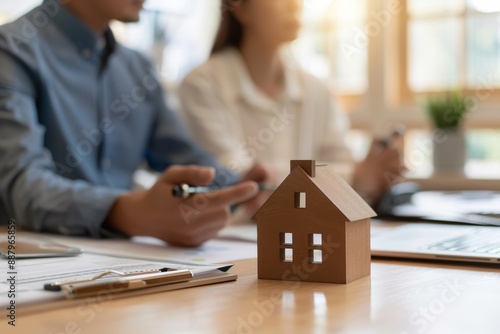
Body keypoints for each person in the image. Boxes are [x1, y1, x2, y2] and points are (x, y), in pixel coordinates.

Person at [0, 0, 272, 246]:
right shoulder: (11, 50)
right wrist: (128, 212)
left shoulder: (138, 69)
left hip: (127, 263)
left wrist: (241, 188)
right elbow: (21, 184)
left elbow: (184, 155)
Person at [179, 0, 403, 206]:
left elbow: (342, 163)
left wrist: (361, 178)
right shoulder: (201, 85)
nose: (295, 4)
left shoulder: (317, 89)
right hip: (233, 241)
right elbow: (242, 181)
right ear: (241, 8)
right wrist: (354, 177)